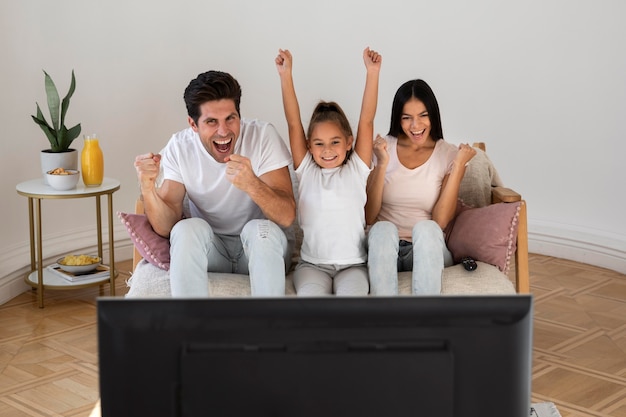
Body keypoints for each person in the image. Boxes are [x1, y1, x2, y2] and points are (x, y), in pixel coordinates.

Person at [134, 70, 296, 297]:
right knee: (185, 228)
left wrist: (252, 184)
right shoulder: (180, 147)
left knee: (261, 230)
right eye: (211, 121)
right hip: (212, 251)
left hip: (262, 249)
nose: (224, 131)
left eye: (230, 118)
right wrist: (148, 188)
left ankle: (266, 328)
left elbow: (287, 215)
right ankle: (192, 327)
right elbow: (166, 226)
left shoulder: (262, 136)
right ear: (193, 124)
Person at [275, 47, 382, 296]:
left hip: (353, 266)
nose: (327, 150)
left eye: (335, 142)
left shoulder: (357, 169)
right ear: (309, 147)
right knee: (314, 310)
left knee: (349, 311)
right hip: (313, 266)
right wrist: (285, 75)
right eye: (319, 144)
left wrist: (373, 73)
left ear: (349, 142)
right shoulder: (307, 171)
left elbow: (366, 120)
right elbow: (293, 123)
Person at [365, 79, 476, 295]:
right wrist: (382, 164)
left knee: (426, 229)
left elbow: (441, 221)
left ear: (433, 115)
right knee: (381, 228)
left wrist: (459, 166)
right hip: (384, 250)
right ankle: (386, 320)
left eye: (423, 116)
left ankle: (424, 320)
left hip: (426, 251)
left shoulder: (449, 154)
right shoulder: (382, 148)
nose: (415, 126)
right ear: (398, 119)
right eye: (407, 118)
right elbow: (369, 216)